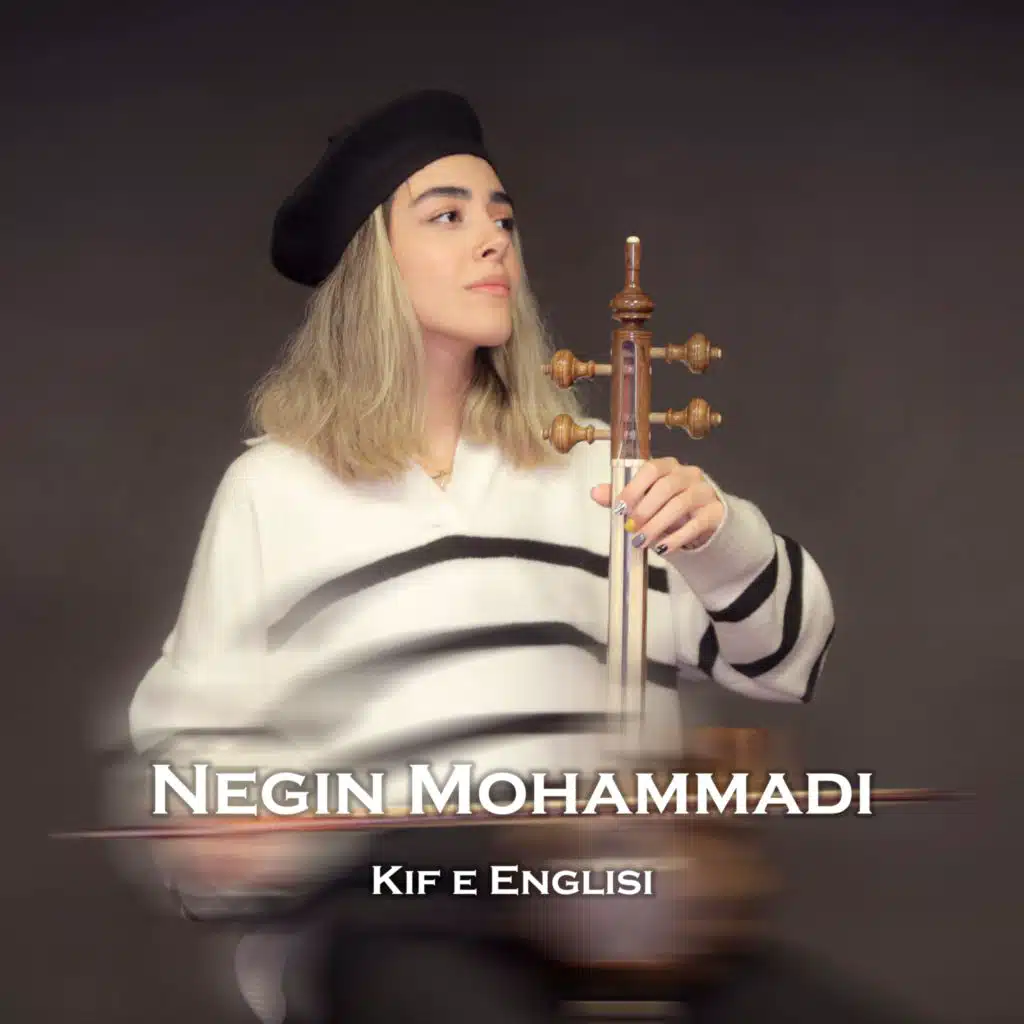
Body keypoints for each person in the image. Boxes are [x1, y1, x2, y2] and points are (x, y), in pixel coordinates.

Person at [126, 91, 924, 1024]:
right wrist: (229, 822)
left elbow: (786, 658)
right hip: (391, 909)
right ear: (372, 264)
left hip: (607, 907)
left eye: (502, 219)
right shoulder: (274, 488)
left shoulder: (591, 464)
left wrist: (719, 535)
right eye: (448, 217)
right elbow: (194, 734)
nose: (494, 242)